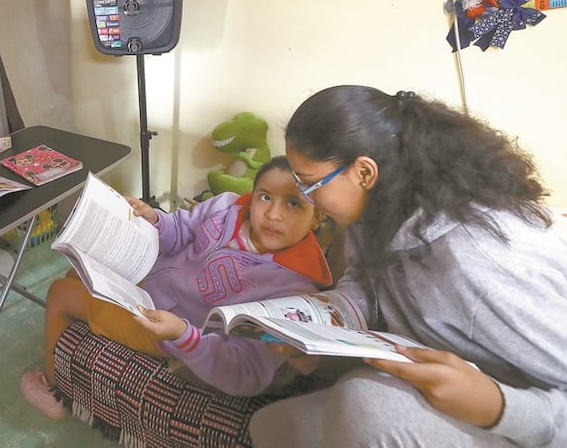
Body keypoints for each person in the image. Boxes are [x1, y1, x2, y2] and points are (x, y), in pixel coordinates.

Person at [249, 86, 567, 448]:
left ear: (363, 172)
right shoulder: (373, 213)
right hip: (468, 390)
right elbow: (369, 284)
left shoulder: (483, 266)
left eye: (309, 184)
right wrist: (328, 312)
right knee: (271, 427)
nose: (305, 196)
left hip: (531, 419)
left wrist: (496, 406)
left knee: (365, 405)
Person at [20, 156, 333, 419]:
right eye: (265, 197)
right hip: (147, 276)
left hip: (163, 324)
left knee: (58, 293)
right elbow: (182, 228)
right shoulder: (228, 207)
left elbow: (247, 371)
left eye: (294, 204)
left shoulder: (293, 290)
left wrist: (182, 335)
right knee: (74, 271)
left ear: (318, 216)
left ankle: (53, 391)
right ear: (253, 194)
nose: (274, 214)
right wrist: (154, 218)